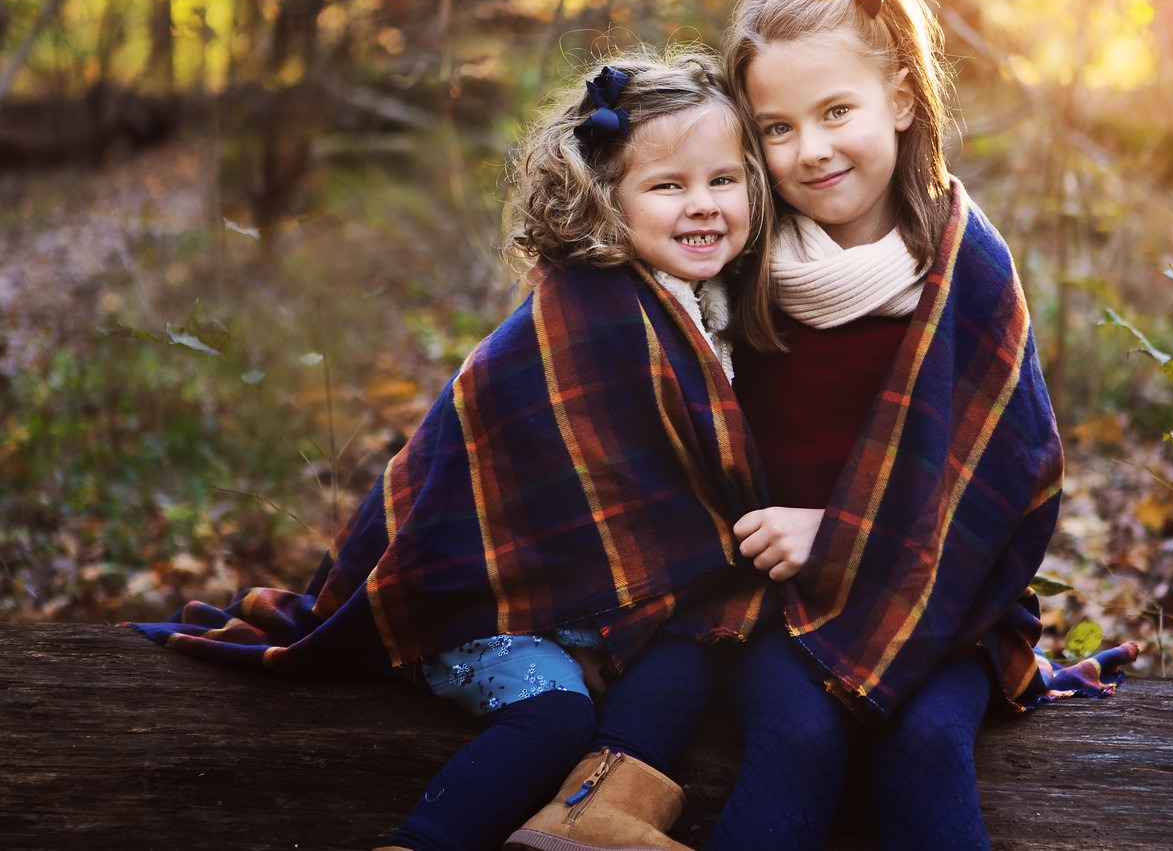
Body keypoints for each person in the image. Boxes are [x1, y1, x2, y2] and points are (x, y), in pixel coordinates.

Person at [127, 48, 779, 851]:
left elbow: (665, 488)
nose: (703, 205)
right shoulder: (594, 308)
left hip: (581, 611)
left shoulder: (704, 305)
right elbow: (496, 474)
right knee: (556, 713)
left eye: (723, 180)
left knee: (713, 625)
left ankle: (600, 807)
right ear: (608, 200)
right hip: (473, 607)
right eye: (668, 186)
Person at [707, 0, 1133, 850]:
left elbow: (1007, 478)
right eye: (776, 128)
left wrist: (839, 532)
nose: (811, 149)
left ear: (901, 100)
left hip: (946, 597)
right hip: (781, 600)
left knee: (929, 739)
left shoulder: (966, 266)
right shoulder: (737, 269)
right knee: (799, 735)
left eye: (835, 112)